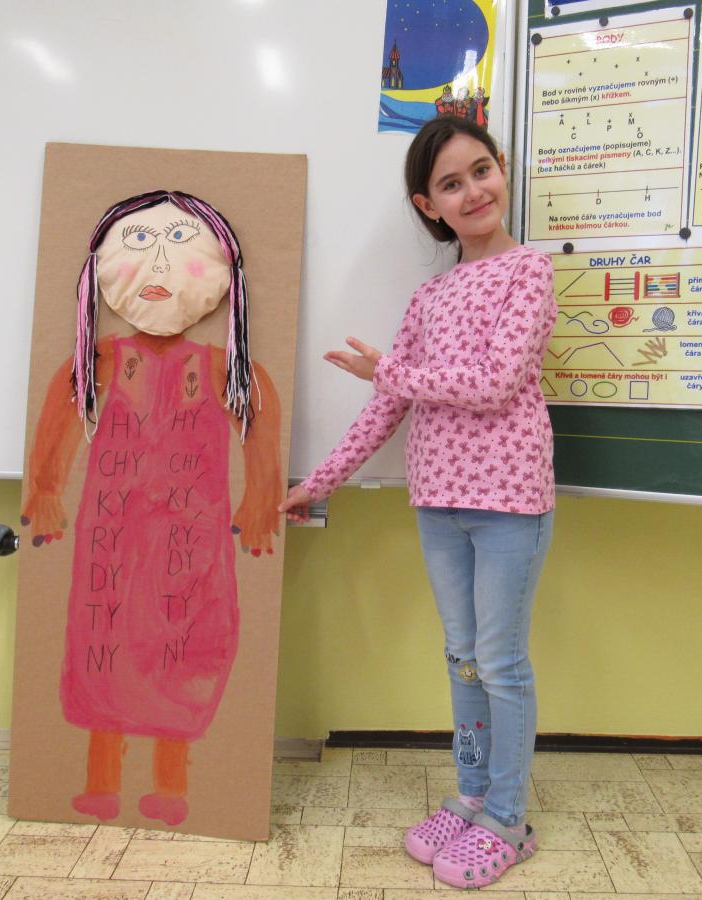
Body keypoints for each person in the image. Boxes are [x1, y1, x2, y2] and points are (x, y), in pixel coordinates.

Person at [278, 115, 557, 889]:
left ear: (502, 169)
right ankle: (472, 796)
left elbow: (495, 384)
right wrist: (318, 482)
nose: (473, 191)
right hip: (438, 504)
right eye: (450, 184)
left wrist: (391, 372)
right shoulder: (429, 296)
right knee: (463, 660)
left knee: (500, 663)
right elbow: (388, 406)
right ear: (428, 205)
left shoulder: (529, 271)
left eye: (481, 171)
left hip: (510, 503)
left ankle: (509, 819)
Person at [23, 190, 282, 827]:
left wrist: (260, 496)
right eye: (140, 253)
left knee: (180, 652)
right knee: (103, 649)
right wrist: (45, 489)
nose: (160, 271)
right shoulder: (102, 361)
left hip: (188, 546)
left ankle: (171, 787)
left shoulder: (220, 367)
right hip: (112, 543)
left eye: (180, 255)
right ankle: (100, 783)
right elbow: (60, 411)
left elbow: (261, 412)